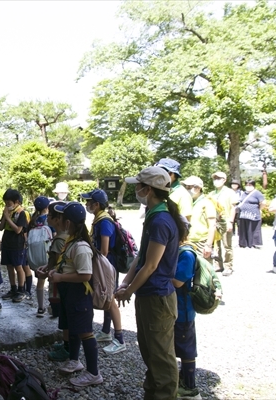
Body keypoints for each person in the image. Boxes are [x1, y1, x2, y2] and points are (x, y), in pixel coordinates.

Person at [117, 166, 186, 399]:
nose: (135, 189)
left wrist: (128, 291)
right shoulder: (154, 214)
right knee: (150, 352)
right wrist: (125, 283)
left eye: (138, 185)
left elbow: (151, 265)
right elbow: (141, 256)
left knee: (161, 358)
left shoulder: (160, 220)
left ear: (148, 190)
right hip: (149, 296)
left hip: (158, 297)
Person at [48, 201, 103, 387]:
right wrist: (53, 272)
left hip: (79, 294)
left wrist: (61, 278)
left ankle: (93, 373)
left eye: (61, 219)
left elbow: (85, 274)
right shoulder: (70, 241)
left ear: (68, 223)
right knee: (72, 327)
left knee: (85, 332)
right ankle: (74, 360)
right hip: (69, 292)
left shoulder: (81, 247)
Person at [81, 189, 126, 355]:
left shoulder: (104, 222)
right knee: (107, 298)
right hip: (105, 264)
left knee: (110, 300)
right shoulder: (99, 219)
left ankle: (120, 339)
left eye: (89, 202)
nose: (87, 205)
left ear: (97, 204)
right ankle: (106, 331)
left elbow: (105, 250)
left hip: (107, 266)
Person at [173, 221, 202, 400]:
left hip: (183, 310)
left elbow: (177, 281)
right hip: (176, 309)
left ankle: (190, 388)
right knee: (179, 346)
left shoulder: (186, 254)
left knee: (186, 349)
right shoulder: (178, 250)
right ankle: (181, 381)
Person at [40, 201, 72, 362]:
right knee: (64, 316)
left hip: (62, 285)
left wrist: (45, 271)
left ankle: (68, 349)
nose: (47, 217)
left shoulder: (60, 240)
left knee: (65, 316)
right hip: (62, 284)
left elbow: (58, 265)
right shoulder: (64, 236)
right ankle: (66, 343)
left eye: (50, 215)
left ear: (57, 219)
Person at [0, 189, 29, 302]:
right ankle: (13, 289)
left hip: (17, 243)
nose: (7, 205)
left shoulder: (21, 213)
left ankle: (21, 290)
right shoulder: (7, 212)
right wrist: (4, 216)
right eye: (6, 203)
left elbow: (18, 230)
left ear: (16, 201)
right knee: (9, 266)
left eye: (9, 203)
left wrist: (7, 218)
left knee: (18, 266)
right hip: (7, 242)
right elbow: (1, 227)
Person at [180, 176, 217, 262]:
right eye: (186, 187)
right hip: (188, 241)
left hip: (201, 243)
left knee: (204, 271)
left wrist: (208, 245)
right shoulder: (187, 201)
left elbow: (212, 225)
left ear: (198, 188)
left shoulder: (207, 203)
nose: (187, 189)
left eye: (189, 187)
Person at [28, 196, 53, 317]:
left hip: (37, 257)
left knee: (40, 281)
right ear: (47, 207)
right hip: (48, 255)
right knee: (53, 281)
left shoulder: (33, 220)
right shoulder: (49, 219)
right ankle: (54, 307)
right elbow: (54, 235)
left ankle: (40, 307)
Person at [209, 172, 237, 276]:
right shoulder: (212, 193)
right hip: (214, 222)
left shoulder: (230, 192)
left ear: (224, 180)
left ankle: (228, 266)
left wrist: (231, 221)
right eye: (215, 178)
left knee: (227, 245)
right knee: (216, 245)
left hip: (225, 221)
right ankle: (218, 265)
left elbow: (233, 207)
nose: (216, 180)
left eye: (219, 178)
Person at [236, 179, 266, 249]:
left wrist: (259, 209)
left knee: (253, 229)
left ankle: (253, 243)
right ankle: (243, 243)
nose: (248, 186)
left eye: (250, 185)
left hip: (253, 215)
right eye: (247, 185)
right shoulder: (244, 193)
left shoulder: (257, 193)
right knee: (243, 229)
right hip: (243, 214)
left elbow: (263, 202)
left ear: (253, 186)